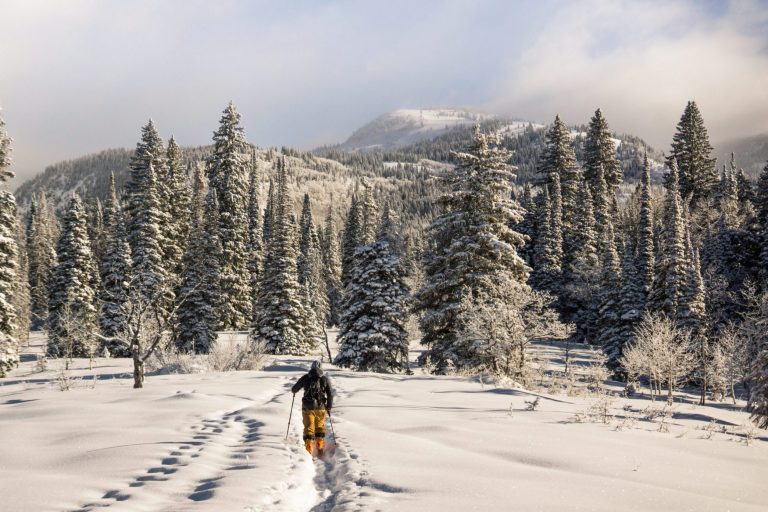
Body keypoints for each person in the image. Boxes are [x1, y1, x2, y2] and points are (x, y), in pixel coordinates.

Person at [291, 360, 333, 456]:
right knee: (320, 427)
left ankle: (309, 450)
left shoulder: (306, 378)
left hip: (307, 407)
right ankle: (320, 448)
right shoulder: (324, 379)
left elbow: (294, 389)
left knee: (309, 428)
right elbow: (330, 394)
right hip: (321, 408)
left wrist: (295, 391)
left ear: (311, 368)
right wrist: (329, 407)